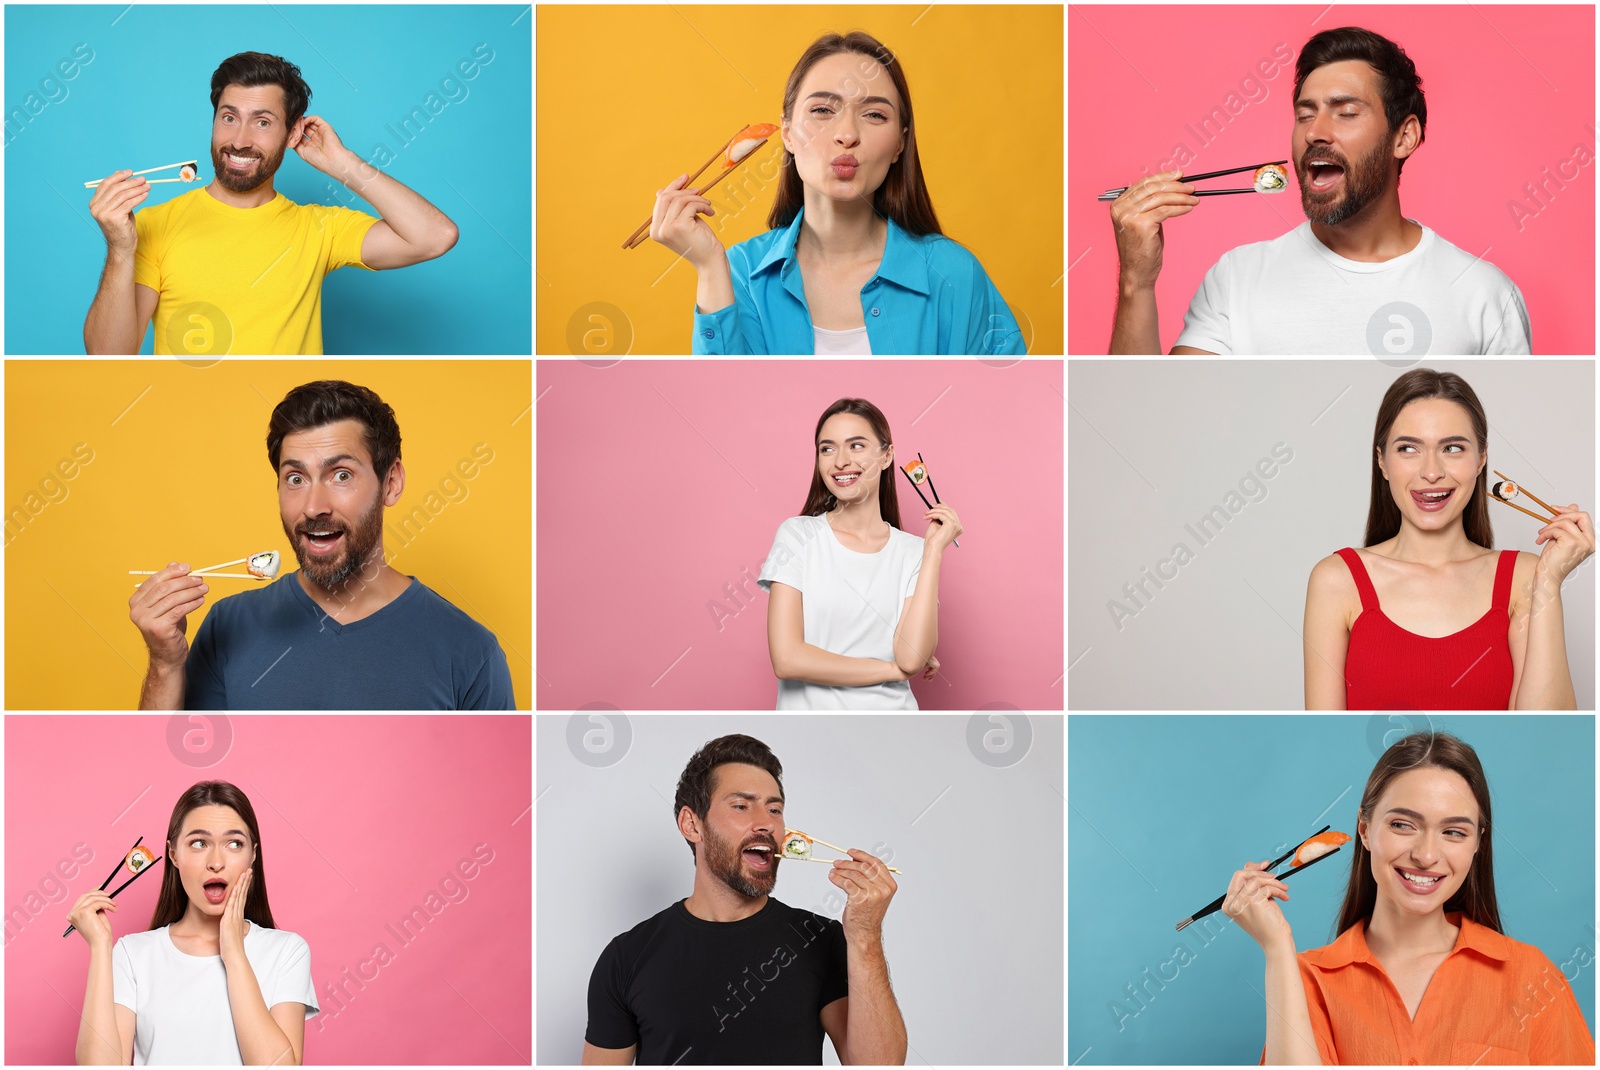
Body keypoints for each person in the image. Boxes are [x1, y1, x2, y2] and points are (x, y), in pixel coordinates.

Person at [1109, 27, 1530, 354]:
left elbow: (1506, 443)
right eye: (1304, 115)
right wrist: (1136, 283)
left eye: (1346, 112)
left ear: (1404, 138)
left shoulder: (1485, 294)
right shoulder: (1237, 277)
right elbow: (1151, 412)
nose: (1315, 132)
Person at [128, 380, 515, 709]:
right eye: (295, 478)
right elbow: (167, 770)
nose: (313, 507)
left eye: (341, 475)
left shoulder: (470, 652)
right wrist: (164, 664)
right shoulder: (227, 626)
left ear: (391, 482)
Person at [1224, 732, 1594, 1064]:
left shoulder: (1532, 976)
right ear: (1365, 830)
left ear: (1479, 843)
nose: (1427, 855)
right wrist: (1276, 948)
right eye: (1403, 825)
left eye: (1454, 832)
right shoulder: (1307, 980)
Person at [650, 31, 1024, 355]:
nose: (847, 134)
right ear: (788, 134)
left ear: (900, 144)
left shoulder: (954, 273)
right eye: (823, 110)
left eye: (875, 114)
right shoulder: (740, 273)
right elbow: (721, 412)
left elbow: (1001, 410)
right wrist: (709, 267)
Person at [83, 52, 458, 356]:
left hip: (289, 434)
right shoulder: (153, 225)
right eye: (229, 118)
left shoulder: (320, 228)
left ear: (293, 132)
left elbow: (435, 237)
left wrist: (343, 164)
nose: (240, 140)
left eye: (262, 123)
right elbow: (108, 358)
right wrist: (120, 248)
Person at [582, 734, 907, 1065]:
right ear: (692, 825)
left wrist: (866, 936)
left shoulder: (820, 939)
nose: (766, 823)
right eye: (741, 806)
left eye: (775, 809)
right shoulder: (626, 957)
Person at [1302, 369, 1591, 709]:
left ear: (1481, 459)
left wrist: (1549, 582)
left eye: (1452, 448)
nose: (1431, 472)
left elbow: (1546, 736)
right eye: (1408, 448)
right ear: (1381, 461)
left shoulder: (1526, 577)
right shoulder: (1336, 580)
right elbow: (1327, 738)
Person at [67, 781, 319, 1065]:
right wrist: (101, 947)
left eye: (234, 843)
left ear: (254, 855)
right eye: (199, 843)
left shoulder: (286, 951)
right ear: (174, 854)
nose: (216, 862)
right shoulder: (132, 954)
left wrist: (234, 952)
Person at [756, 398, 956, 709]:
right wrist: (892, 670)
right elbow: (787, 659)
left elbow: (912, 656)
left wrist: (933, 551)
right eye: (827, 448)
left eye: (856, 446)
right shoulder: (797, 536)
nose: (840, 461)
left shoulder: (916, 551)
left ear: (887, 455)